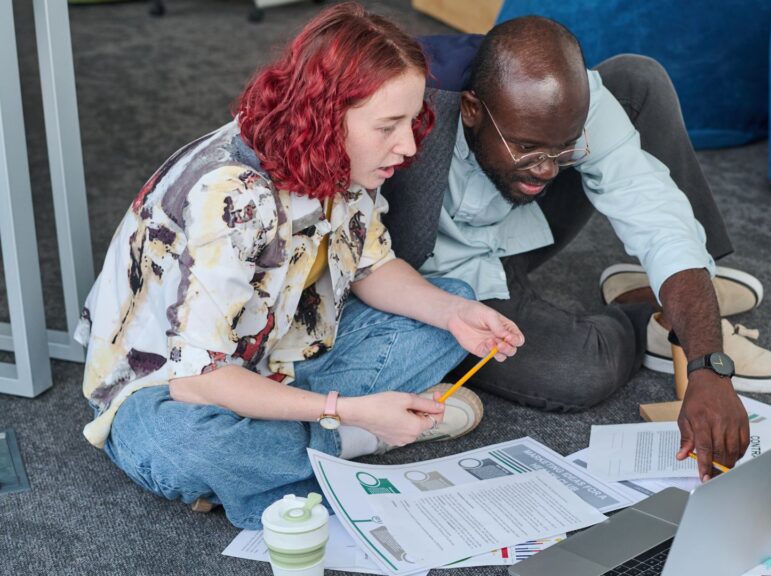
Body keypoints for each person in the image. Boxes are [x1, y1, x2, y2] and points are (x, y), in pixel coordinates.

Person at [74, 3, 523, 530]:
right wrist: (350, 414)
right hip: (173, 392)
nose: (407, 145)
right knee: (190, 449)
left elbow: (372, 267)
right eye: (388, 126)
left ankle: (289, 454)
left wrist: (454, 312)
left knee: (452, 300)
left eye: (411, 119)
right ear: (326, 117)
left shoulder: (345, 159)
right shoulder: (231, 198)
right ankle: (364, 437)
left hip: (281, 353)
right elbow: (198, 382)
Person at [380, 17, 771, 481]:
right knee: (578, 370)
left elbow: (655, 213)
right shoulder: (403, 108)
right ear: (472, 109)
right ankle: (647, 318)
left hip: (517, 228)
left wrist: (708, 366)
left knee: (637, 81)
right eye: (526, 147)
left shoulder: (570, 113)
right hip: (433, 280)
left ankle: (691, 318)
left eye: (563, 149)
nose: (546, 170)